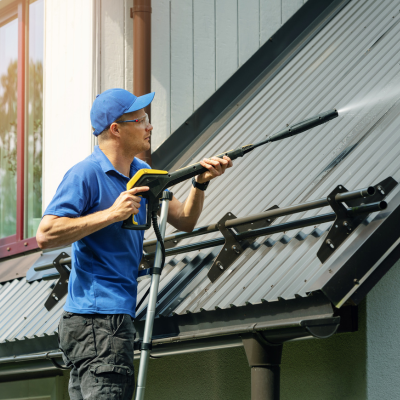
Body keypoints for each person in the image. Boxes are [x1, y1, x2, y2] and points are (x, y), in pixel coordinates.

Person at [36, 88, 233, 400]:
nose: (149, 127)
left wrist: (200, 182)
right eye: (142, 120)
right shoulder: (85, 174)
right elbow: (46, 234)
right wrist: (112, 214)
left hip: (107, 319)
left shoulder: (142, 173)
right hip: (97, 320)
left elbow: (184, 219)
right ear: (117, 129)